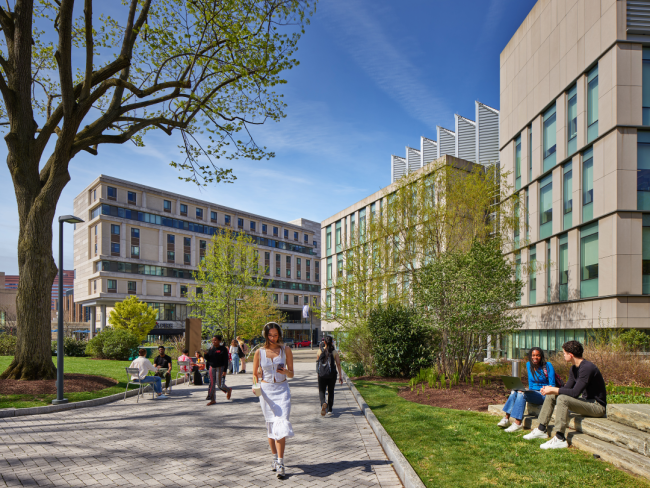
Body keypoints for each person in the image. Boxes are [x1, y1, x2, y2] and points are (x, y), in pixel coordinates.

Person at [523, 340, 607, 449]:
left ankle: (560, 438)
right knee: (552, 394)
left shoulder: (587, 368)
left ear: (570, 355)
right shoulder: (574, 368)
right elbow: (567, 389)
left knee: (562, 398)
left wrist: (554, 389)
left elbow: (575, 393)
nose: (563, 356)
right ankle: (541, 429)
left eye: (564, 353)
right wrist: (551, 389)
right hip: (586, 402)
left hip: (597, 407)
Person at [252, 322, 294, 479]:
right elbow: (255, 374)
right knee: (270, 425)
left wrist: (286, 371)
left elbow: (292, 374)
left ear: (280, 335)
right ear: (265, 335)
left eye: (276, 335)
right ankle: (275, 458)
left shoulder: (286, 350)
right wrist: (254, 385)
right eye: (270, 335)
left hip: (282, 390)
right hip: (266, 392)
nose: (273, 338)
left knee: (281, 422)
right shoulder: (259, 352)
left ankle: (281, 463)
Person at [498, 347, 555, 432]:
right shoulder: (529, 365)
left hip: (544, 394)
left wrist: (542, 390)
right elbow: (531, 383)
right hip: (534, 392)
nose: (535, 357)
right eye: (533, 355)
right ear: (530, 356)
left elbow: (552, 385)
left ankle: (517, 424)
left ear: (541, 356)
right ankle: (506, 419)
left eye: (538, 355)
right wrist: (527, 390)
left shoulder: (548, 365)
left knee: (522, 393)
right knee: (515, 391)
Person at [316, 336, 342, 417]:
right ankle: (330, 409)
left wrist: (318, 375)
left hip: (322, 375)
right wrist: (340, 376)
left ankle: (323, 403)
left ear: (324, 343)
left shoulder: (320, 351)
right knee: (331, 391)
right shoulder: (334, 352)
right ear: (332, 343)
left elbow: (318, 365)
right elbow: (338, 364)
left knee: (321, 391)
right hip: (332, 375)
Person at [204, 335, 232, 405]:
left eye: (215, 340)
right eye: (213, 340)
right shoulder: (211, 348)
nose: (213, 341)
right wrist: (205, 354)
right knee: (212, 384)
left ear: (219, 341)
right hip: (212, 368)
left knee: (220, 385)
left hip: (220, 368)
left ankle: (228, 390)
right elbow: (208, 358)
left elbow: (225, 360)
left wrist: (225, 370)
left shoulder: (223, 349)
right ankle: (213, 399)